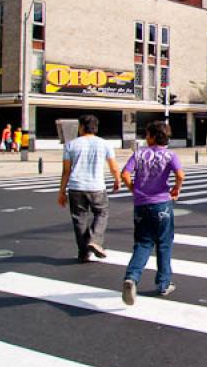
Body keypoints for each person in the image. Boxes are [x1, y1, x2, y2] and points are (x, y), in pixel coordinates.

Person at [121, 121, 185, 305]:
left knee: (142, 243)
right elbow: (180, 175)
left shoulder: (139, 153)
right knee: (164, 243)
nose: (145, 137)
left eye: (147, 134)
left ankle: (132, 278)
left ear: (152, 136)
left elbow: (125, 174)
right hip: (162, 204)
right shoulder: (170, 155)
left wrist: (134, 189)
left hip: (141, 205)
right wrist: (176, 189)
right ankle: (163, 283)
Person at [58, 115, 120, 263]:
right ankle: (95, 239)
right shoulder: (105, 144)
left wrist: (61, 191)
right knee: (102, 213)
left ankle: (83, 253)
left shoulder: (70, 145)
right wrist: (117, 179)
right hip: (97, 187)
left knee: (79, 219)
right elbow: (113, 166)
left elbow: (66, 170)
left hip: (76, 187)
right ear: (95, 128)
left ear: (81, 127)